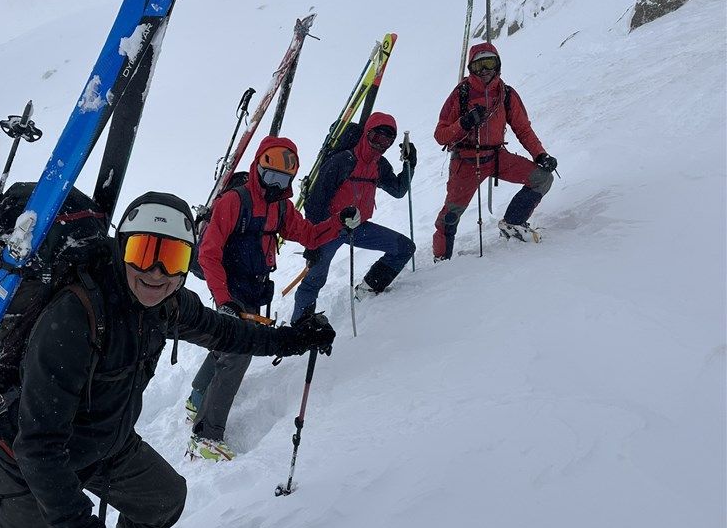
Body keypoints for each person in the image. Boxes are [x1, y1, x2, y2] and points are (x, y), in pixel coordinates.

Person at [0, 191, 336, 528]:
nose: (156, 272)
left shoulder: (168, 304)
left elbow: (226, 331)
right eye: (144, 251)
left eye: (173, 258)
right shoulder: (74, 315)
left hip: (104, 445)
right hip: (28, 463)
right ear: (122, 249)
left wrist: (291, 339)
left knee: (162, 499)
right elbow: (38, 447)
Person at [188, 136, 354, 462]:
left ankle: (197, 396)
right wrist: (224, 300)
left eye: (283, 179)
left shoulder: (281, 207)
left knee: (228, 342)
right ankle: (206, 436)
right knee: (238, 352)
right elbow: (208, 254)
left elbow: (309, 235)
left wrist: (339, 222)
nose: (275, 184)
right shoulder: (234, 201)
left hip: (253, 287)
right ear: (257, 168)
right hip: (230, 286)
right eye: (270, 176)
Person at [432, 42, 557, 260]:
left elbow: (523, 128)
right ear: (471, 68)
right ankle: (442, 259)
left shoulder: (506, 94)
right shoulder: (461, 94)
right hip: (466, 162)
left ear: (498, 64)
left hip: (496, 157)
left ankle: (513, 223)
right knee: (450, 216)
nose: (484, 70)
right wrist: (464, 123)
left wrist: (540, 154)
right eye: (478, 65)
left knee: (542, 178)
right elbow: (440, 135)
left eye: (489, 63)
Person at [290, 111, 417, 323]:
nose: (380, 144)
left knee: (404, 248)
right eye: (376, 137)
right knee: (314, 280)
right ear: (366, 133)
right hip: (329, 230)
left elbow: (398, 190)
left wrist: (409, 164)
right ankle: (299, 326)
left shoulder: (379, 165)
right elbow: (315, 204)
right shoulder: (342, 161)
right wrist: (313, 242)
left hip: (358, 227)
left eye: (386, 140)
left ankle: (368, 289)